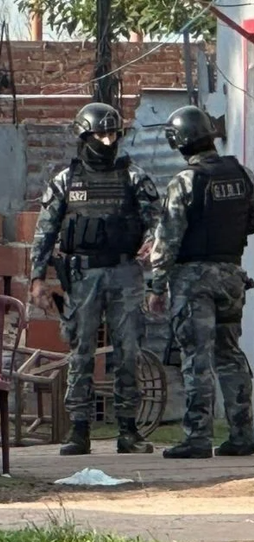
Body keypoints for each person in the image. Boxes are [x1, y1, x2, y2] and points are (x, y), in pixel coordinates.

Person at [29, 102, 161, 456]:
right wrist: (37, 278)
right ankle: (80, 430)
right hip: (82, 276)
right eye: (99, 133)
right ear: (83, 136)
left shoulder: (134, 176)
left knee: (129, 350)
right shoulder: (65, 181)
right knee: (80, 351)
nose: (107, 140)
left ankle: (128, 430)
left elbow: (157, 219)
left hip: (125, 273)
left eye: (112, 133)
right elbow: (45, 231)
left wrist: (152, 241)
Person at [148, 105, 254, 459]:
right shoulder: (242, 173)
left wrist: (156, 286)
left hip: (194, 280)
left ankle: (196, 438)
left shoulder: (185, 181)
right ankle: (243, 434)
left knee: (196, 358)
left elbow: (168, 239)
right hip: (231, 275)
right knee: (230, 355)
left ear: (179, 142)